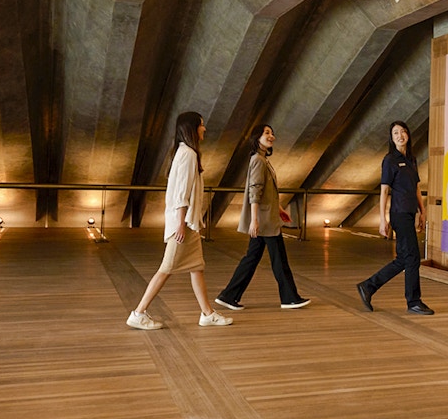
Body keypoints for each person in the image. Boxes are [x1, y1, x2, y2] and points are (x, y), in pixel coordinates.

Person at [127, 112, 232, 330]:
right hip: (183, 225)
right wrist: (181, 224)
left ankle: (207, 313)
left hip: (189, 224)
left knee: (196, 267)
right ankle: (138, 313)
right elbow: (181, 194)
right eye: (202, 125)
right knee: (166, 268)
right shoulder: (188, 154)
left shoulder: (185, 152)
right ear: (192, 128)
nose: (204, 129)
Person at [215, 124, 311, 310]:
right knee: (279, 260)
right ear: (257, 137)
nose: (271, 136)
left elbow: (267, 192)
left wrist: (279, 209)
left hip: (266, 217)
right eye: (267, 133)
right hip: (264, 221)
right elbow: (255, 191)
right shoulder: (258, 160)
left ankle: (229, 295)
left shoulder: (261, 159)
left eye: (272, 133)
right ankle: (289, 298)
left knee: (252, 258)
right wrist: (255, 219)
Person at [357, 121, 433, 315]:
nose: (400, 136)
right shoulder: (390, 160)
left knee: (403, 259)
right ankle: (413, 301)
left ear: (408, 135)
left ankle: (368, 286)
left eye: (403, 132)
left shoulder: (412, 160)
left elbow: (416, 188)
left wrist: (422, 211)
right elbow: (384, 191)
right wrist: (382, 219)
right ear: (391, 138)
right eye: (396, 133)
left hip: (410, 212)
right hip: (399, 214)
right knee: (413, 257)